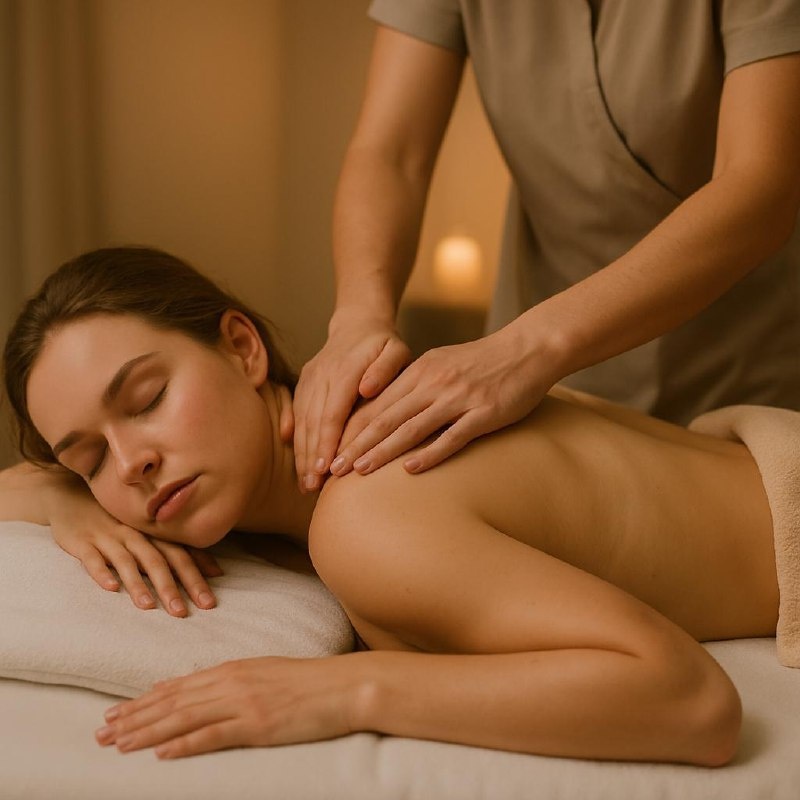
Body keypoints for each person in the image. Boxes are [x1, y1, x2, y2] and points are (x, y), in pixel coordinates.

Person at [3, 246, 796, 766]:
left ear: (243, 348)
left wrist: (345, 691)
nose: (131, 462)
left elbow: (693, 704)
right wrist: (70, 503)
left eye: (148, 398)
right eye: (89, 457)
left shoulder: (366, 514)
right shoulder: (364, 420)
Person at [290, 1, 800, 496]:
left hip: (744, 372)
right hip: (543, 394)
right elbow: (391, 154)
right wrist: (357, 318)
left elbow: (762, 185)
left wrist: (526, 351)